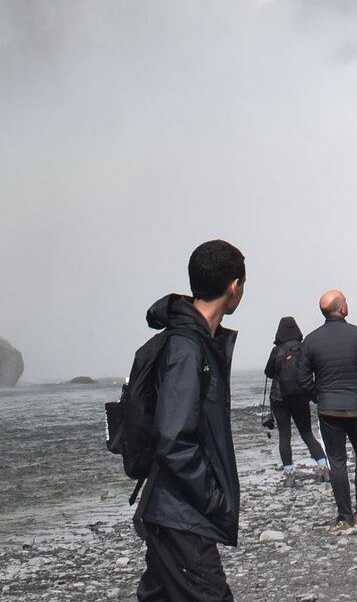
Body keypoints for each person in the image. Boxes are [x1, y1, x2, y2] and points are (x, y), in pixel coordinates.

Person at [137, 239, 246, 602]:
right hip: (181, 512)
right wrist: (213, 499)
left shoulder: (198, 342)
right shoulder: (187, 348)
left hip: (173, 509)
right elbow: (173, 438)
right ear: (234, 287)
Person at [302, 289, 357, 530]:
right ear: (341, 308)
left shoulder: (311, 340)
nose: (347, 304)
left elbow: (301, 375)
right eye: (345, 301)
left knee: (337, 463)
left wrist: (317, 396)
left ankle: (345, 518)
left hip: (329, 411)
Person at [262, 316, 327, 473]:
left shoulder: (277, 350)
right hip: (301, 397)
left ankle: (289, 473)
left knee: (285, 436)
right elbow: (311, 369)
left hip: (279, 399)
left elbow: (268, 372)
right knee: (306, 433)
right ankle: (324, 467)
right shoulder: (304, 348)